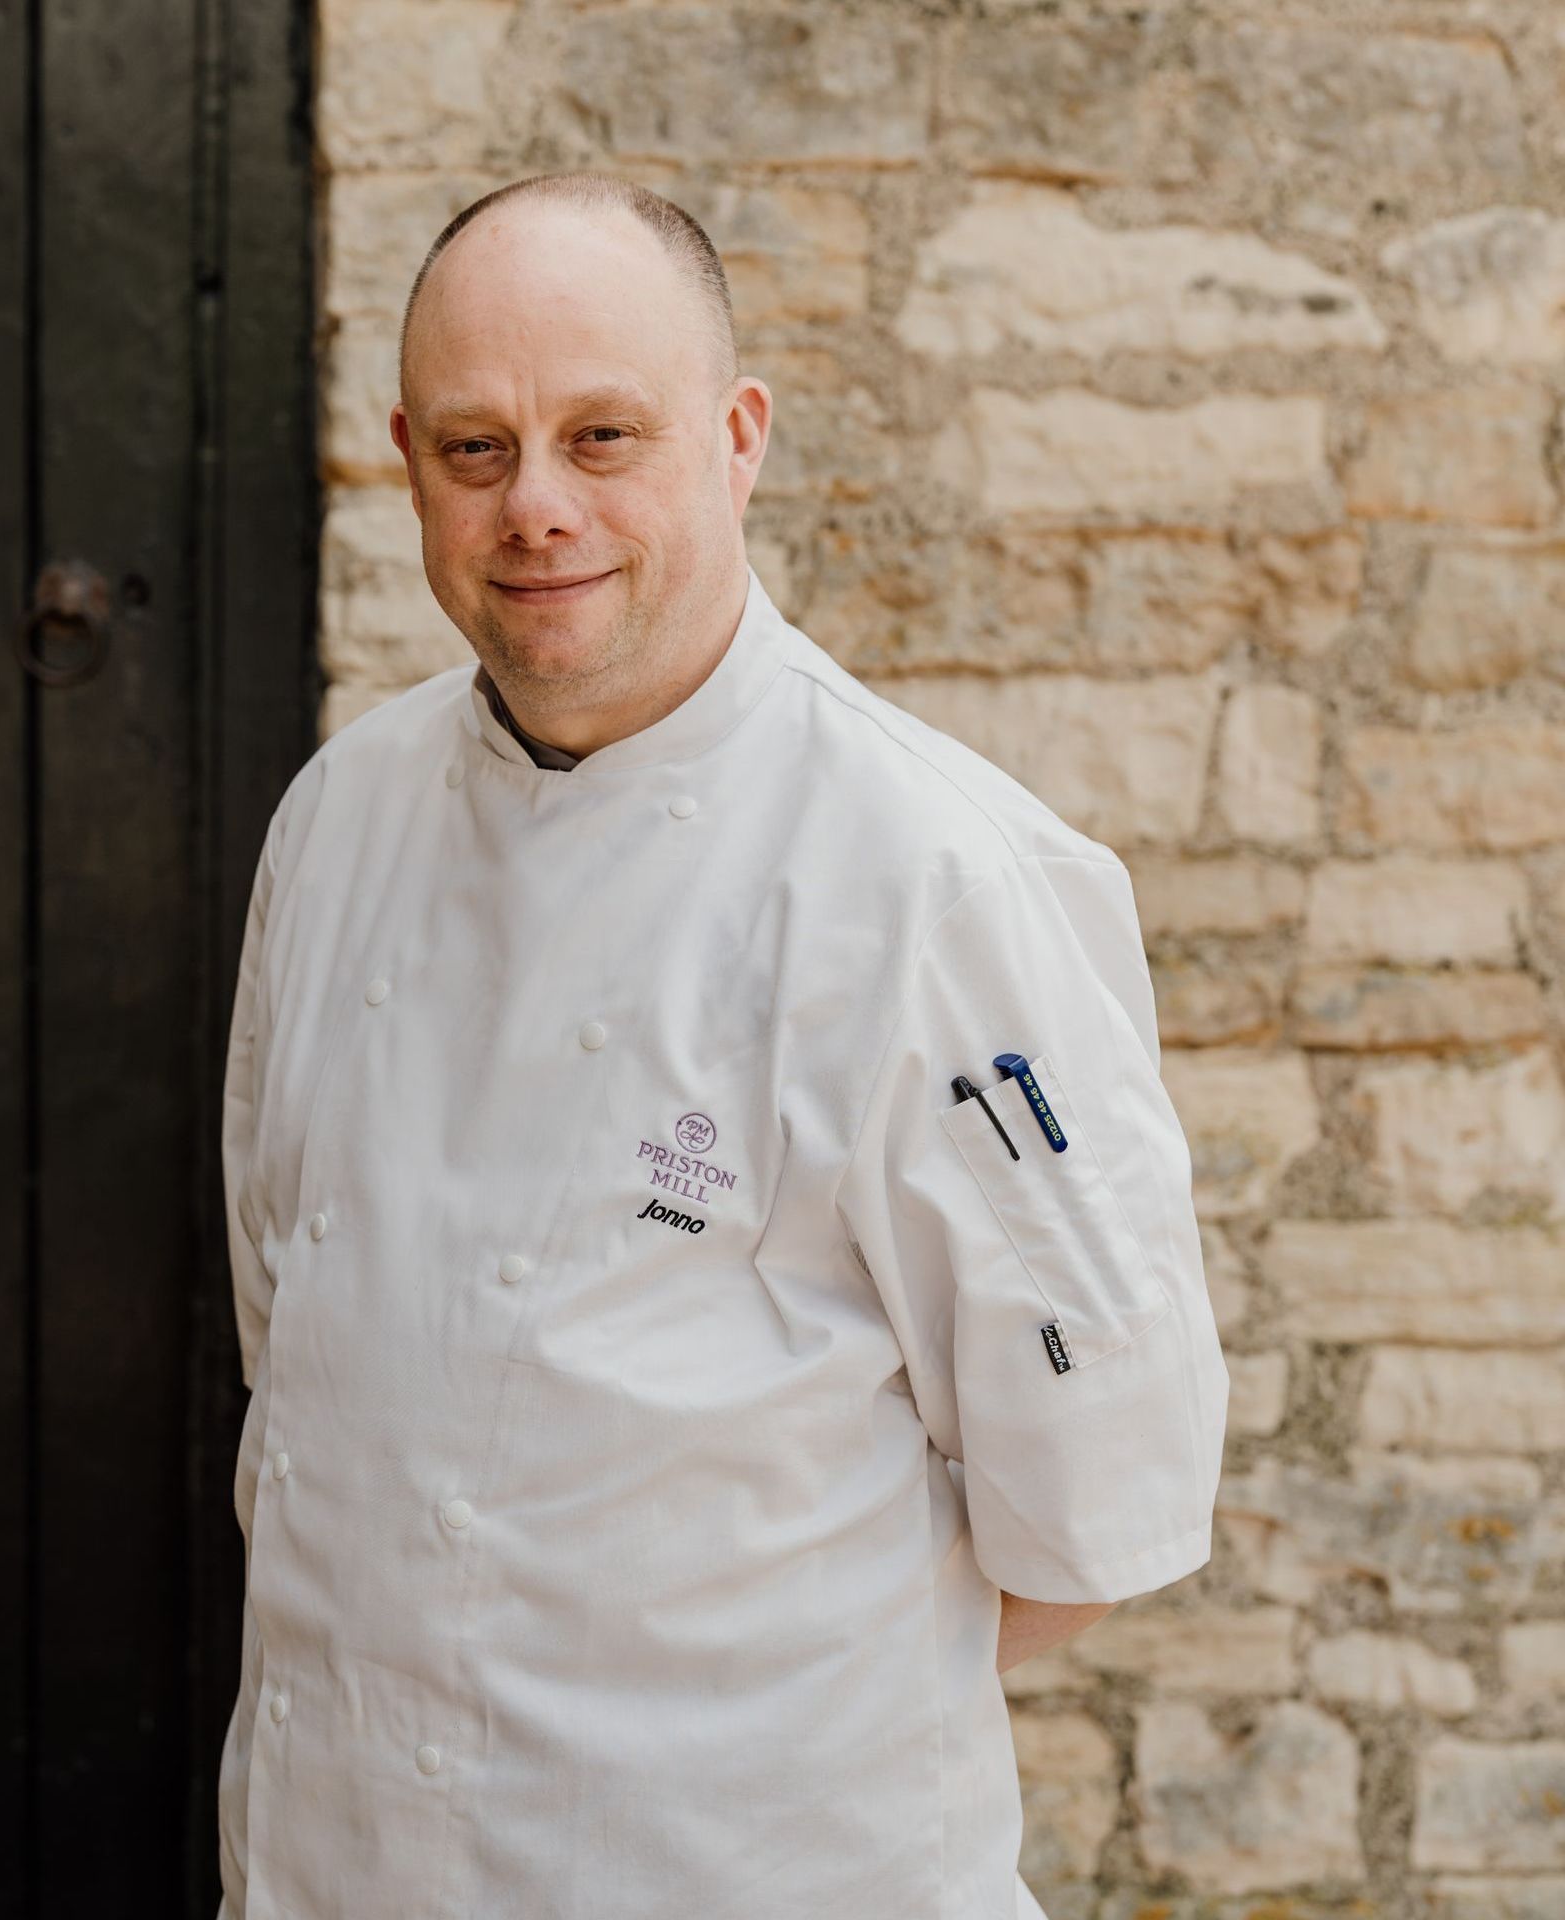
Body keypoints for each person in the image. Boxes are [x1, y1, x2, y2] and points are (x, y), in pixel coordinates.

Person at [215, 170, 1229, 1920]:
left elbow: (1084, 1523)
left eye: (605, 436)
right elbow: (288, 1339)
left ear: (739, 435)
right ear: (406, 458)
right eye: (477, 449)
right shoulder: (337, 823)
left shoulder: (935, 882)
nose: (538, 505)